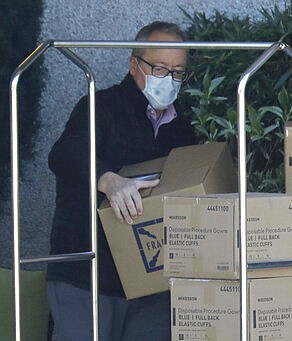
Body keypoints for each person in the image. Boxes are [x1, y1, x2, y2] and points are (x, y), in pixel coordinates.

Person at [47, 21, 196, 340]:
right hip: (85, 277)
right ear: (134, 65)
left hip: (150, 283)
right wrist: (108, 180)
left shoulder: (182, 126)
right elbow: (64, 153)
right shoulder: (102, 106)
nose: (168, 80)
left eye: (178, 72)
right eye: (159, 68)